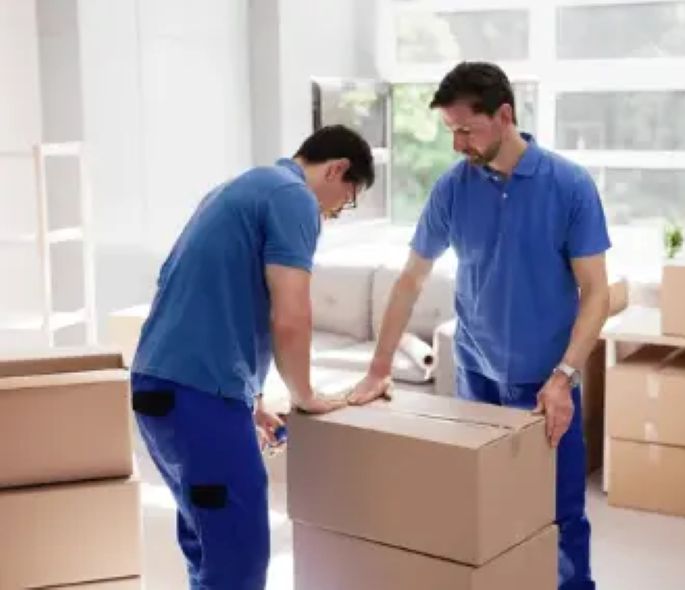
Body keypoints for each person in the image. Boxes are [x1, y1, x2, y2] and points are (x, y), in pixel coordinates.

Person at [350, 62, 611, 590]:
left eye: (466, 130)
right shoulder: (453, 189)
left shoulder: (568, 185)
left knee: (560, 517)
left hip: (547, 385)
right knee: (485, 517)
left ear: (505, 115)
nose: (457, 144)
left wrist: (564, 375)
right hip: (477, 378)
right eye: (451, 132)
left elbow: (597, 292)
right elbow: (409, 281)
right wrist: (379, 368)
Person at [130, 125, 374, 589]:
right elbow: (291, 315)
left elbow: (210, 296)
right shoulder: (294, 198)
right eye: (346, 199)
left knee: (209, 538)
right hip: (198, 393)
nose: (337, 210)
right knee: (239, 554)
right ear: (338, 169)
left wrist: (250, 398)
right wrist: (306, 396)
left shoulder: (238, 189)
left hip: (162, 386)